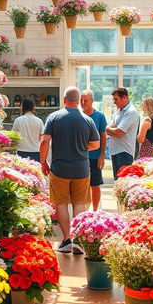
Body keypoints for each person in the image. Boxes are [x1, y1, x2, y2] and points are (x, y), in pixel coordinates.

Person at [40, 86, 100, 254]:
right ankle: (79, 241)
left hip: (60, 169)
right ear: (78, 100)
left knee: (61, 204)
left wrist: (43, 162)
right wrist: (81, 148)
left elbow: (45, 141)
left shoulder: (54, 117)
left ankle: (66, 240)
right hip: (81, 169)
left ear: (64, 100)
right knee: (79, 204)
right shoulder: (87, 120)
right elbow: (96, 144)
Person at [80, 90, 107, 211]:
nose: (83, 102)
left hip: (95, 157)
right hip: (80, 157)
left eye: (85, 100)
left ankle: (95, 211)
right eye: (81, 100)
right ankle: (84, 211)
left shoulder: (99, 116)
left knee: (95, 184)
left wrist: (101, 155)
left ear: (92, 101)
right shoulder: (78, 115)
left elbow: (103, 136)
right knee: (82, 186)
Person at [106, 87, 140, 179]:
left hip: (124, 153)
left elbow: (119, 132)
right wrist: (110, 129)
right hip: (116, 151)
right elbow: (109, 128)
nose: (114, 102)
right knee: (118, 183)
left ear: (124, 97)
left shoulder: (131, 112)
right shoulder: (118, 111)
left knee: (123, 184)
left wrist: (109, 130)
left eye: (116, 99)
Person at [12, 97, 44, 162]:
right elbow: (42, 137)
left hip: (21, 152)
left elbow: (13, 135)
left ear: (22, 107)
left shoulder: (18, 120)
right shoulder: (39, 121)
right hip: (36, 152)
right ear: (33, 107)